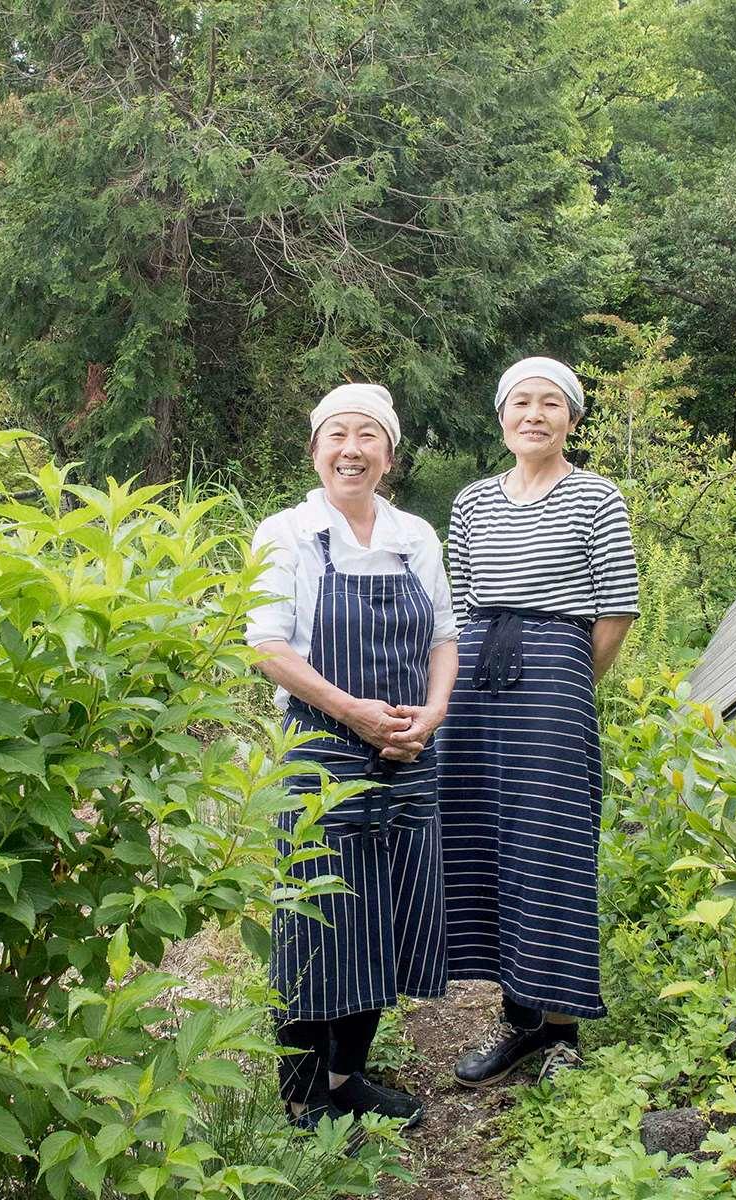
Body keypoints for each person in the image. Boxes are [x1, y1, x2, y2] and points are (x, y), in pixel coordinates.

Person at [247, 383, 460, 1127]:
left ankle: (348, 1080)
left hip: (408, 753)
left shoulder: (416, 536)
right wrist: (353, 713)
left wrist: (430, 715)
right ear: (315, 450)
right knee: (316, 920)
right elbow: (268, 647)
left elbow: (442, 639)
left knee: (387, 918)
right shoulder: (287, 534)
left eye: (368, 435)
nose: (352, 448)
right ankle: (302, 1098)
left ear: (389, 455)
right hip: (320, 752)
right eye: (337, 434)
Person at [437, 355, 639, 1086]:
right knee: (487, 840)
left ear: (572, 419)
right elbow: (459, 602)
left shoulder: (597, 497)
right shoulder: (472, 502)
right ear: (501, 417)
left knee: (549, 846)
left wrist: (566, 685)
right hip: (477, 680)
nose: (534, 414)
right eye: (520, 402)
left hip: (554, 679)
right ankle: (517, 1022)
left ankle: (561, 1033)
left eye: (550, 403)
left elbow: (616, 608)